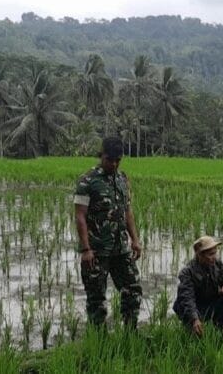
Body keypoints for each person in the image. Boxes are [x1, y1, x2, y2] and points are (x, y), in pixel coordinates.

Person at [73, 136, 143, 328]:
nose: (113, 164)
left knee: (133, 289)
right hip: (97, 251)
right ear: (101, 155)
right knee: (96, 298)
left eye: (117, 160)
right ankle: (98, 340)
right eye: (109, 159)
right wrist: (86, 249)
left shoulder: (122, 179)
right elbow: (80, 216)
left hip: (120, 248)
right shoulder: (87, 181)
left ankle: (130, 331)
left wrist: (135, 240)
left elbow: (127, 211)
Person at [173, 236, 223, 336]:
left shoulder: (216, 263)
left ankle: (220, 323)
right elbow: (187, 299)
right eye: (211, 254)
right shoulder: (187, 272)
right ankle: (192, 327)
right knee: (194, 336)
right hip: (192, 308)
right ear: (200, 255)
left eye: (215, 253)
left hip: (209, 301)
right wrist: (194, 319)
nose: (214, 257)